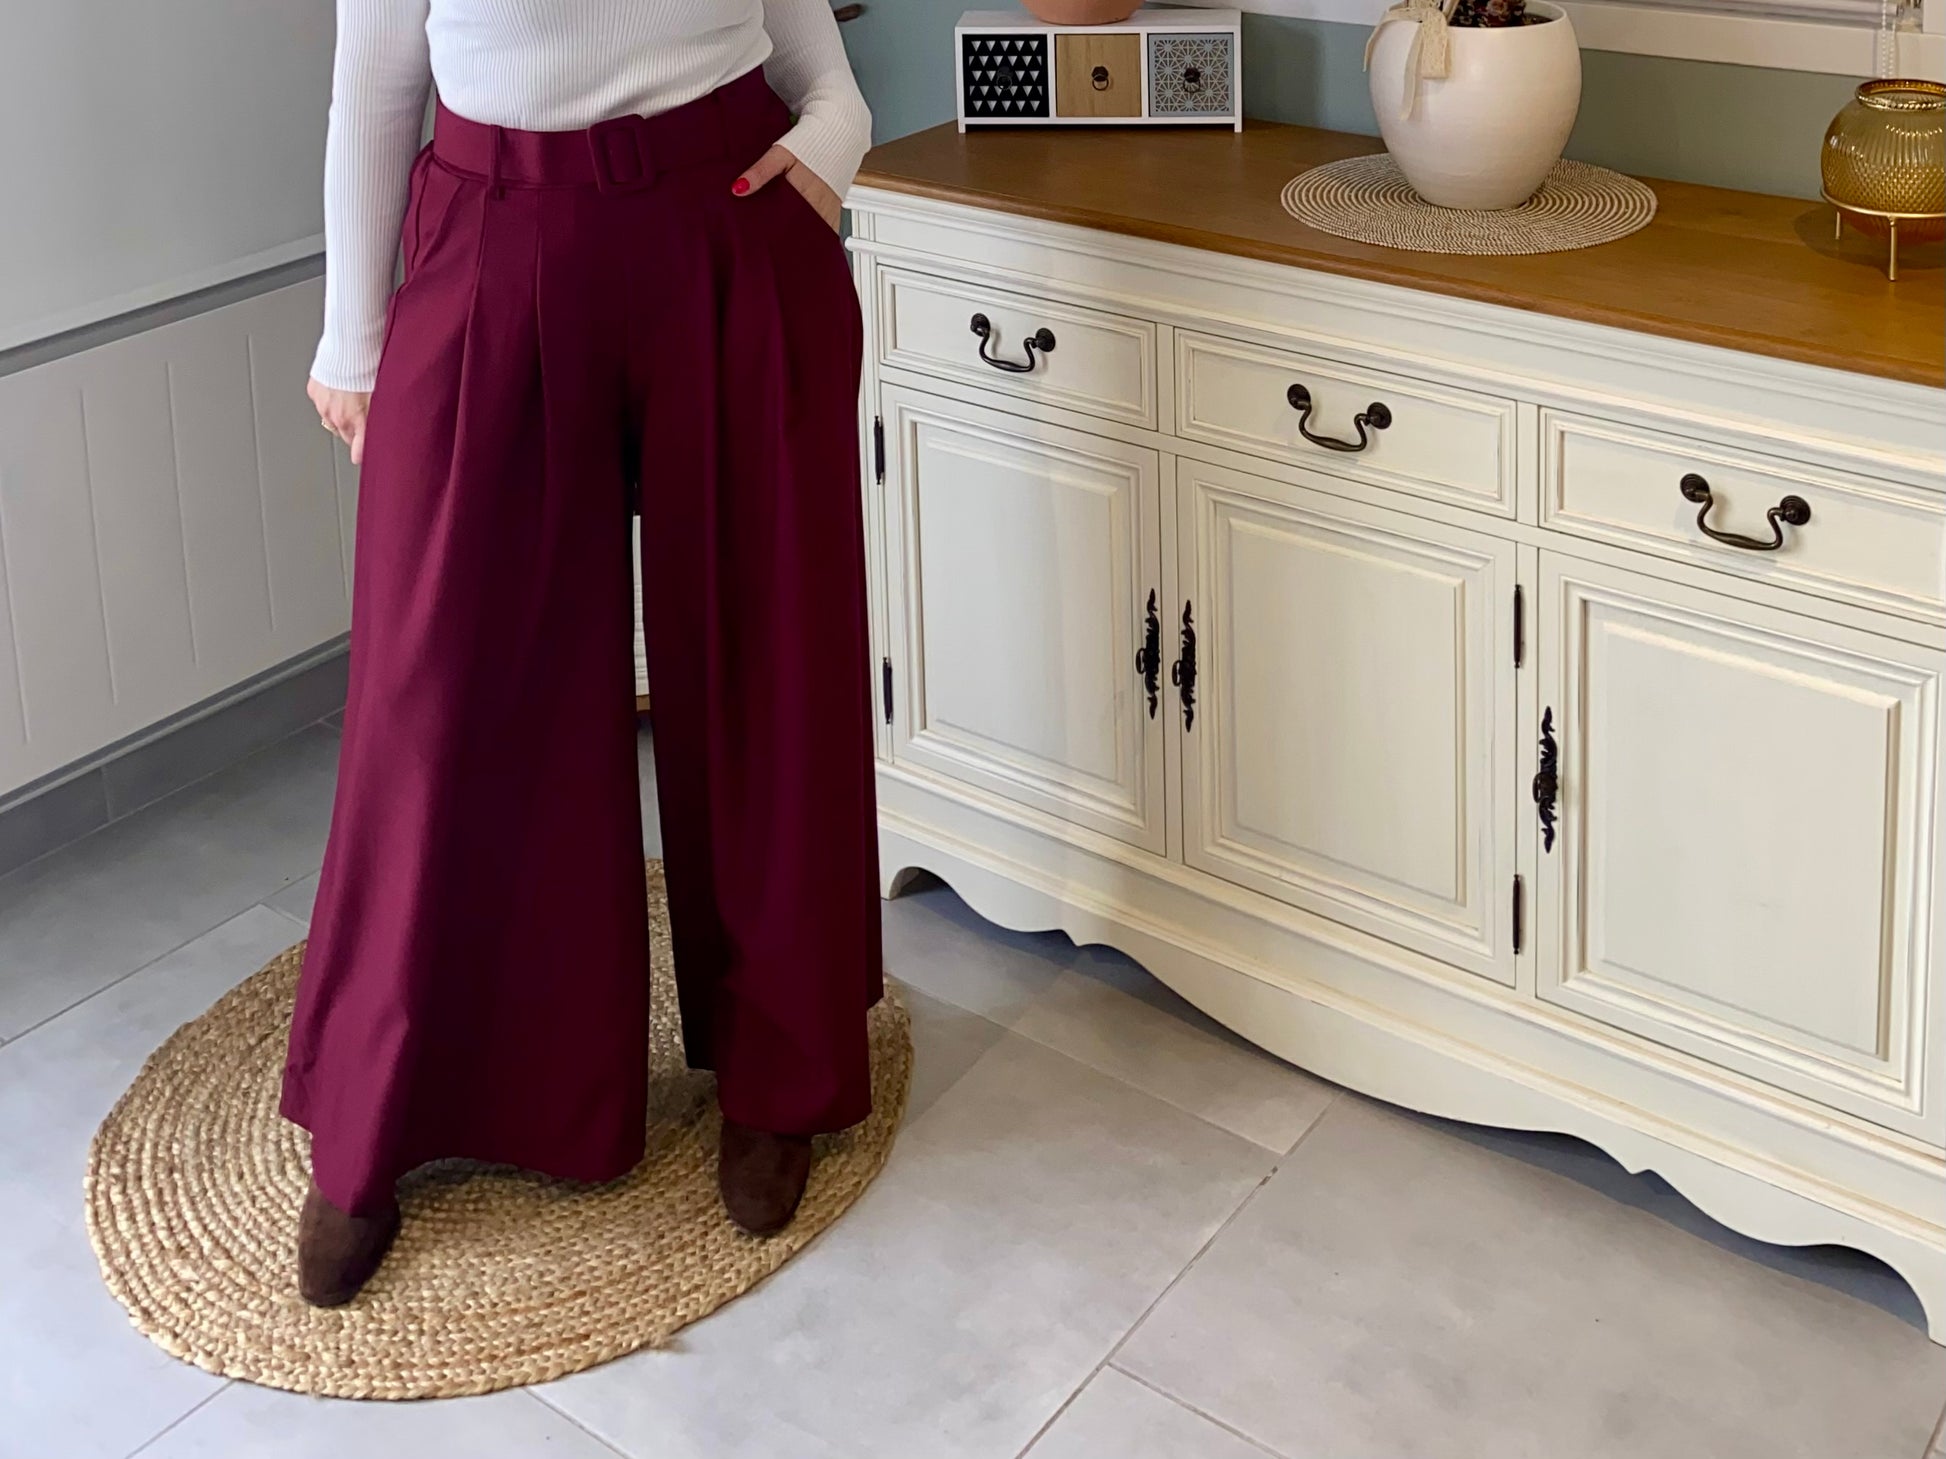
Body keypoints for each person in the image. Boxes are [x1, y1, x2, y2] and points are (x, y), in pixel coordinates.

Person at [284, 0, 881, 1308]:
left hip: (728, 223)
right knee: (440, 694)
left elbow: (817, 65)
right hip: (493, 227)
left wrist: (825, 156)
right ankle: (399, 1101)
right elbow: (374, 88)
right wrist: (351, 337)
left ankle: (780, 1075)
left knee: (769, 668)